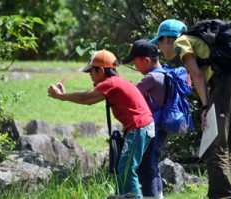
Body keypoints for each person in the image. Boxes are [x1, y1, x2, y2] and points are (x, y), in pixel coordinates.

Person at [149, 19, 231, 199]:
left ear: (167, 39)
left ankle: (222, 196)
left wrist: (205, 106)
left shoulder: (181, 41)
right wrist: (208, 104)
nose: (158, 48)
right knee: (226, 143)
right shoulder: (202, 42)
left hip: (227, 85)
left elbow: (196, 75)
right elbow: (208, 76)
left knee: (214, 144)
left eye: (159, 42)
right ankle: (224, 193)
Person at [48, 49, 155, 199]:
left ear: (102, 70)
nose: (90, 75)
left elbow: (84, 97)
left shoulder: (111, 83)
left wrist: (60, 96)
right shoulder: (114, 83)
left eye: (91, 71)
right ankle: (122, 196)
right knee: (122, 168)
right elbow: (88, 101)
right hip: (140, 128)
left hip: (139, 128)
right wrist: (63, 96)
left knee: (126, 169)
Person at [122, 39, 167, 199]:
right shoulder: (164, 72)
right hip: (161, 125)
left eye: (136, 62)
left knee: (145, 166)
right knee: (152, 165)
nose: (135, 67)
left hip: (151, 126)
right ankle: (158, 196)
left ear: (146, 60)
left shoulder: (152, 78)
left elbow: (130, 92)